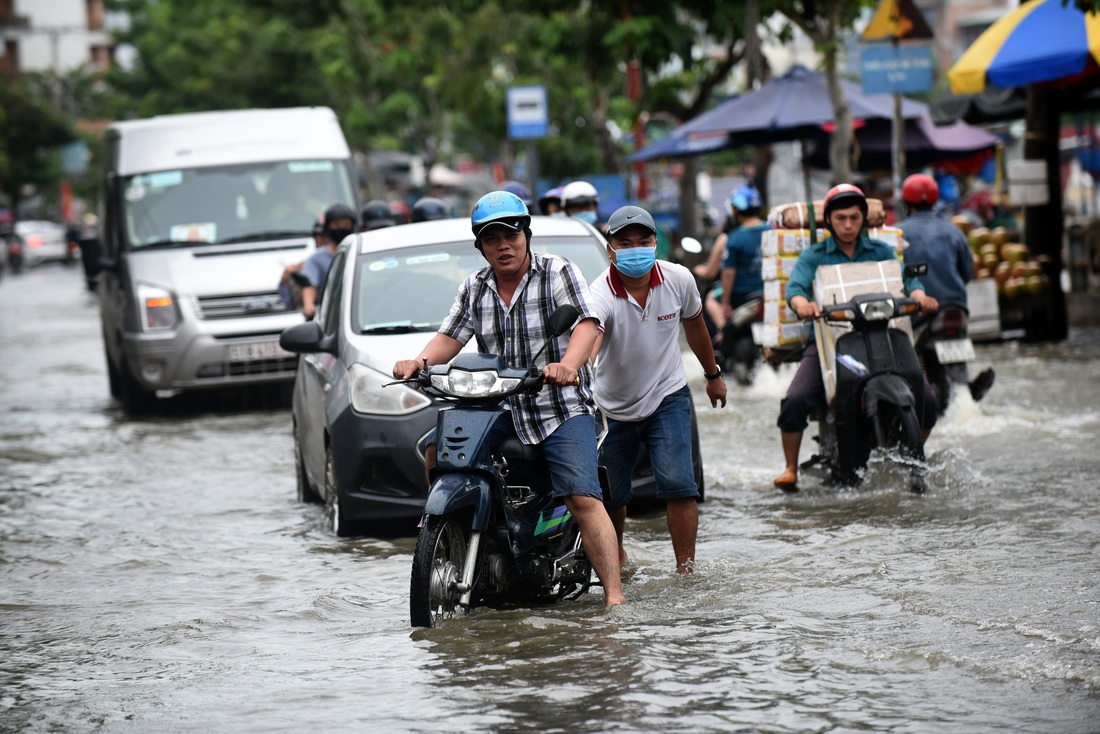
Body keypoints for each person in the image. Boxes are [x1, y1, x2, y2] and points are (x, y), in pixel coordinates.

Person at [392, 190, 625, 606]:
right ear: (480, 245)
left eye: (511, 235)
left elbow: (587, 323)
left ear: (526, 234)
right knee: (435, 448)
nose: (503, 245)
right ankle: (453, 532)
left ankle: (614, 597)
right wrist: (418, 361)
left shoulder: (556, 272)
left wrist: (568, 366)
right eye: (491, 238)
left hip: (559, 407)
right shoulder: (474, 287)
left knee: (582, 497)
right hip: (498, 406)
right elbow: (451, 336)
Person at [589, 205, 728, 574]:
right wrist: (576, 371)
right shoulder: (598, 292)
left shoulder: (678, 279)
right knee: (611, 494)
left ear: (655, 245)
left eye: (644, 241)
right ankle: (614, 555)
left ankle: (686, 568)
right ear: (611, 250)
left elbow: (696, 326)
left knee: (681, 485)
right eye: (625, 242)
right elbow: (592, 334)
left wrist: (713, 375)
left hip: (668, 395)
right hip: (611, 405)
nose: (636, 249)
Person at [773, 184, 939, 490]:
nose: (848, 225)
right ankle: (790, 467)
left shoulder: (881, 251)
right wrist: (803, 304)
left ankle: (915, 454)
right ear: (829, 221)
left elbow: (907, 278)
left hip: (883, 336)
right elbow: (795, 289)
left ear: (863, 218)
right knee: (795, 399)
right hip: (829, 341)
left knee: (928, 398)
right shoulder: (815, 255)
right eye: (840, 219)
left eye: (853, 217)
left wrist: (918, 293)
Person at [896, 173, 995, 401]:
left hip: (919, 311)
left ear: (906, 202)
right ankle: (964, 391)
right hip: (956, 308)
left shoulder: (896, 234)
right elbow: (967, 272)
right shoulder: (953, 231)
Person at [300, 203, 357, 319]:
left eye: (346, 225)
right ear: (327, 228)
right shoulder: (316, 259)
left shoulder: (358, 252)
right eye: (336, 225)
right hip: (330, 317)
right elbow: (309, 285)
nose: (342, 229)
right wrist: (309, 305)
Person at [719, 185, 767, 318]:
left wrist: (725, 303)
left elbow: (728, 273)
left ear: (737, 209)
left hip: (742, 295)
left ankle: (723, 334)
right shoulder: (771, 230)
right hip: (768, 292)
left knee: (711, 298)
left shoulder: (734, 238)